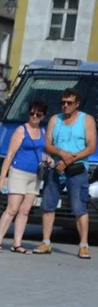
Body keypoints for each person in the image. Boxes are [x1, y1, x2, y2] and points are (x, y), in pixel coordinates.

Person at [34, 88, 96, 259]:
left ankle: (83, 245)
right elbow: (47, 144)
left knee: (79, 207)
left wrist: (69, 159)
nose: (65, 106)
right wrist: (61, 153)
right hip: (55, 166)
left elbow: (91, 147)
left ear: (77, 104)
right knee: (48, 205)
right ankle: (46, 242)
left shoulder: (87, 120)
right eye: (63, 102)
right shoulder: (55, 119)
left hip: (76, 169)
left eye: (69, 103)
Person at [0, 99, 49, 254]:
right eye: (32, 113)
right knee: (12, 208)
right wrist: (2, 179)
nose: (34, 116)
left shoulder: (43, 131)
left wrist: (47, 158)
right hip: (19, 172)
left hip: (35, 175)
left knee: (25, 210)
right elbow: (9, 155)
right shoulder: (21, 130)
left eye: (38, 114)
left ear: (43, 115)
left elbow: (40, 152)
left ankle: (17, 243)